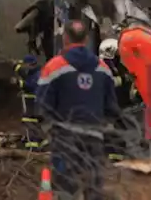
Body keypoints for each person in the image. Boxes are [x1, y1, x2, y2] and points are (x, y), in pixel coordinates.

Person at [38, 20, 121, 200]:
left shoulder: (53, 67)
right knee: (94, 188)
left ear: (65, 37)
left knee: (65, 187)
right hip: (94, 138)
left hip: (65, 140)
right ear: (87, 39)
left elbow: (43, 104)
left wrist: (50, 128)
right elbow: (112, 107)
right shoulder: (103, 69)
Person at [14, 54, 43, 150]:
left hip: (33, 103)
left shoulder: (37, 74)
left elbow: (31, 86)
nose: (24, 66)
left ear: (30, 64)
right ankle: (37, 143)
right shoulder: (33, 73)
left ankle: (32, 146)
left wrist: (19, 83)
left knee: (30, 122)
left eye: (25, 64)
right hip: (31, 102)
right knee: (32, 122)